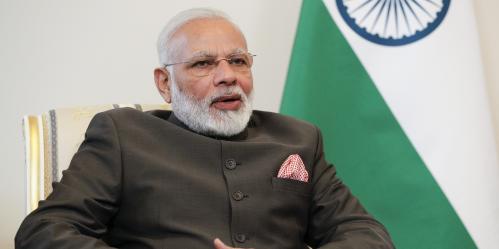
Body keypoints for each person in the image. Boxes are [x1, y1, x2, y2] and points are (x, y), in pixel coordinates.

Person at [15, 8, 395, 249]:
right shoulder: (123, 135)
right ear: (165, 83)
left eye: (238, 61)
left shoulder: (298, 139)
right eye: (203, 64)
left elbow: (367, 235)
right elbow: (44, 231)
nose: (227, 76)